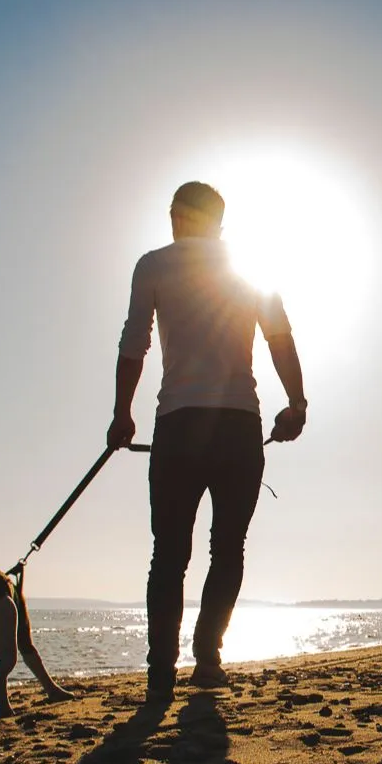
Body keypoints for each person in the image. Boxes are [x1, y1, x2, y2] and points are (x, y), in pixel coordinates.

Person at [107, 181, 306, 709]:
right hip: (239, 424)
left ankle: (160, 676)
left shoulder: (152, 265)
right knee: (227, 550)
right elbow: (280, 337)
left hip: (179, 423)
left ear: (177, 216)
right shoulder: (250, 269)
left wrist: (122, 413)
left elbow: (134, 342)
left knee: (168, 554)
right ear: (219, 223)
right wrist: (298, 404)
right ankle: (207, 658)